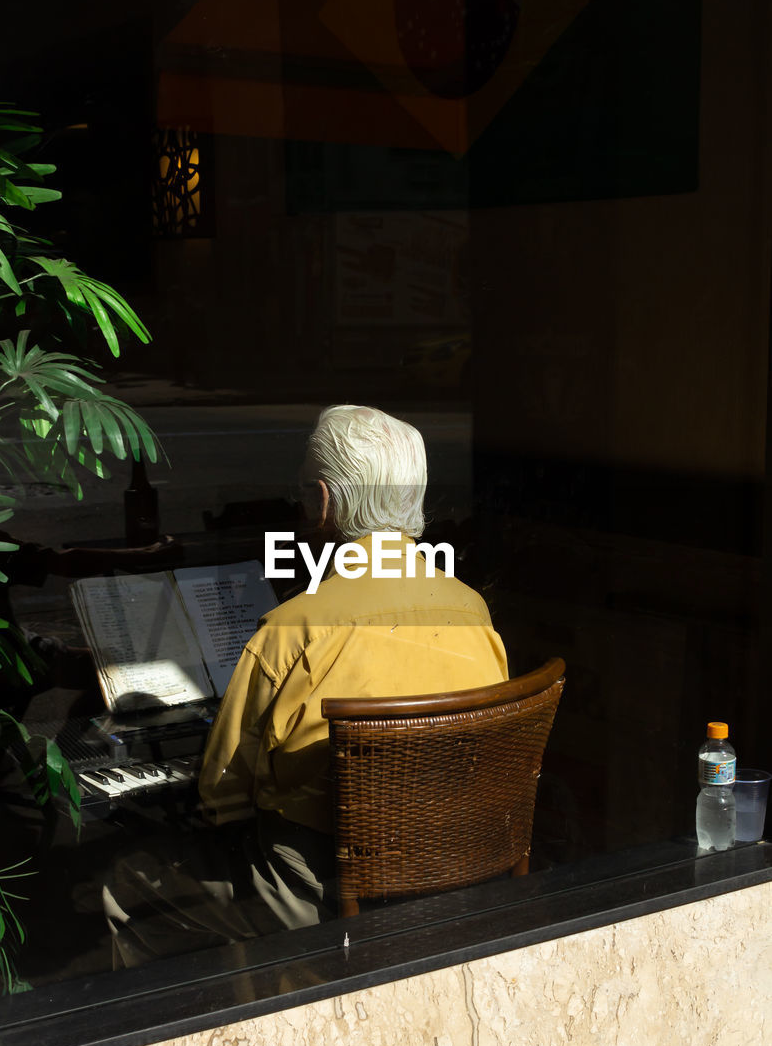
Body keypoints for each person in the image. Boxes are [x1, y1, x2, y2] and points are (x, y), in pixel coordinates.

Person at [104, 405, 508, 966]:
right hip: (457, 869)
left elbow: (221, 796)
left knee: (124, 887)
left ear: (322, 501)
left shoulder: (294, 628)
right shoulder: (474, 613)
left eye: (301, 493)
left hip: (324, 892)